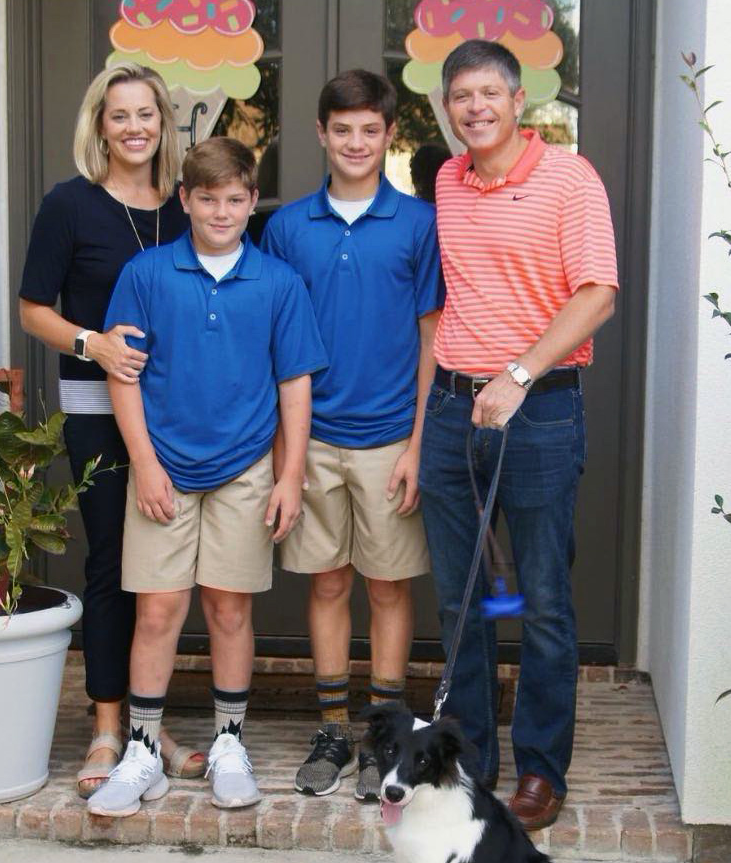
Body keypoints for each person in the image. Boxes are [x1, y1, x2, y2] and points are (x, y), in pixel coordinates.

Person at [86, 137, 327, 817]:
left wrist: (289, 475)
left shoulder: (278, 282)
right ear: (184, 200)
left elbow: (294, 386)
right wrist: (144, 464)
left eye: (235, 199)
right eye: (207, 198)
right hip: (162, 466)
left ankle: (227, 741)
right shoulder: (146, 273)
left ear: (252, 202)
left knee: (228, 606)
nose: (221, 211)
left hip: (245, 468)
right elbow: (122, 376)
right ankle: (140, 750)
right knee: (159, 608)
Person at [419, 40, 618, 830]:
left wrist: (519, 374)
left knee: (540, 600)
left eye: (487, 94)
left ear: (517, 98)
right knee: (460, 599)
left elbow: (597, 291)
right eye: (459, 96)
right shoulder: (445, 179)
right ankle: (470, 759)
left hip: (536, 411)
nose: (473, 109)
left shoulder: (569, 177)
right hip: (449, 412)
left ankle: (539, 768)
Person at [18, 62, 206, 798]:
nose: (134, 127)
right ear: (99, 124)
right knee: (112, 564)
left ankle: (150, 724)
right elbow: (34, 307)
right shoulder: (69, 205)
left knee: (164, 576)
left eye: (146, 114)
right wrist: (89, 342)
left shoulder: (186, 206)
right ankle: (107, 722)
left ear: (165, 122)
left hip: (180, 414)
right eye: (119, 114)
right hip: (98, 412)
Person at [261, 69, 444, 802]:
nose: (356, 142)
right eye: (342, 129)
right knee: (328, 580)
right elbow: (270, 341)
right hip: (313, 436)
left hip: (389, 435)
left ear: (389, 135)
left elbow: (433, 338)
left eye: (370, 129)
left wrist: (418, 443)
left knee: (388, 584)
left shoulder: (416, 224)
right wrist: (283, 450)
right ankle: (333, 728)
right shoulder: (285, 227)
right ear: (321, 133)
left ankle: (384, 734)